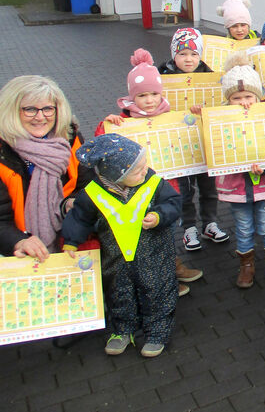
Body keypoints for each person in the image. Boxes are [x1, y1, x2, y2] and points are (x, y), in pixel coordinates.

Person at [62, 134, 182, 358]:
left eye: (144, 165)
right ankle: (122, 330)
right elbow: (79, 218)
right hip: (115, 258)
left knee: (157, 291)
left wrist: (159, 216)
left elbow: (174, 203)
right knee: (118, 293)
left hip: (154, 255)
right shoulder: (92, 194)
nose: (144, 171)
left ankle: (157, 332)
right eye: (137, 170)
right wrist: (71, 242)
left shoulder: (155, 184)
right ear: (115, 176)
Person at [98, 48, 204, 294]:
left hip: (166, 187)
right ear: (132, 96)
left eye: (154, 94)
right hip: (139, 190)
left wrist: (196, 116)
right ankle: (163, 278)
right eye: (142, 95)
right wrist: (106, 125)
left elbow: (190, 134)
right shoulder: (124, 119)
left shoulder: (169, 115)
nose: (149, 100)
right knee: (149, 234)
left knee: (168, 228)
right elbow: (102, 145)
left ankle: (173, 264)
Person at [0, 75, 93, 260]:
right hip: (16, 252)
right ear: (11, 111)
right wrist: (18, 241)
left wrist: (72, 203)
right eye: (30, 109)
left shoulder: (70, 139)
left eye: (48, 109)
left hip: (70, 241)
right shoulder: (4, 152)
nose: (40, 117)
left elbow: (88, 186)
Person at [213, 53, 265, 288]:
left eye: (248, 96)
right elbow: (213, 146)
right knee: (243, 228)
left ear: (257, 97)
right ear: (228, 99)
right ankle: (246, 266)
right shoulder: (221, 120)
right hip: (237, 187)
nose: (244, 101)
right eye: (236, 97)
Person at [158, 29, 228, 254]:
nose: (189, 59)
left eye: (194, 54)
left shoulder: (211, 74)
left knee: (209, 187)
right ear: (174, 55)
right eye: (183, 53)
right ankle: (188, 228)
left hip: (204, 142)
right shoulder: (163, 76)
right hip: (179, 144)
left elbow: (221, 104)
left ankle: (210, 223)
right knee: (185, 191)